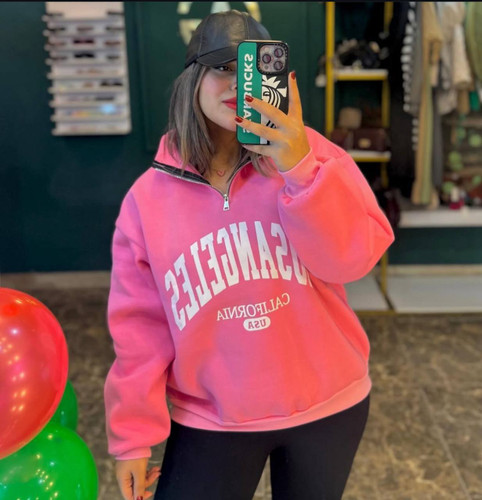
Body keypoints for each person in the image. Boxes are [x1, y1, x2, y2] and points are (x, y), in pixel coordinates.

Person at [104, 9, 394, 500]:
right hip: (211, 418)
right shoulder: (146, 200)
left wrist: (300, 169)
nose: (239, 82)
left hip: (328, 405)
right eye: (223, 67)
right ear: (192, 80)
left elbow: (353, 260)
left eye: (254, 68)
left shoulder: (315, 158)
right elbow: (139, 331)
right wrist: (133, 436)